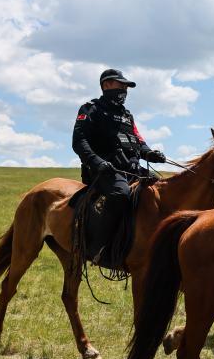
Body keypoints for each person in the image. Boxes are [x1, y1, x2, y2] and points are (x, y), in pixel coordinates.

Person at [71, 68, 166, 263]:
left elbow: (138, 140)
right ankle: (98, 248)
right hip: (104, 171)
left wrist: (150, 153)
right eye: (120, 85)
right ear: (106, 85)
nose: (124, 89)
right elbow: (79, 141)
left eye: (126, 87)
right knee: (120, 195)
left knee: (161, 191)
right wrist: (97, 162)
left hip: (131, 168)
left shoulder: (127, 115)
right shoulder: (91, 109)